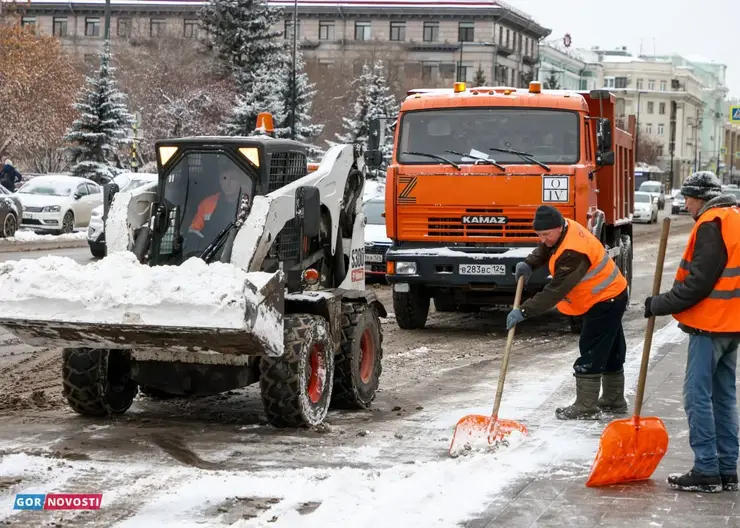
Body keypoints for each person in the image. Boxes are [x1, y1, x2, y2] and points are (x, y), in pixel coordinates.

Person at [643, 171, 740, 493]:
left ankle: (707, 471)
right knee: (724, 397)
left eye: (688, 197)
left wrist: (658, 304)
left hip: (710, 324)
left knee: (698, 397)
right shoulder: (734, 217)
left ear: (700, 197)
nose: (685, 203)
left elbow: (698, 283)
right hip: (733, 324)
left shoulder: (711, 224)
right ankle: (728, 469)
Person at [506, 205, 629, 420]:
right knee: (610, 349)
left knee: (592, 349)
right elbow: (548, 247)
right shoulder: (564, 230)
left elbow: (556, 290)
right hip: (610, 294)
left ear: (558, 227)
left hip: (605, 299)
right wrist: (530, 263)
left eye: (546, 234)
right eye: (539, 235)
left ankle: (586, 406)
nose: (543, 239)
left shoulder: (574, 252)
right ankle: (613, 400)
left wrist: (524, 311)